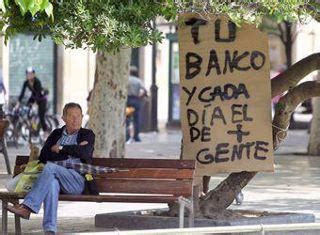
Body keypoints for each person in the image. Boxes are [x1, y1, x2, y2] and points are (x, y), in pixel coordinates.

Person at [7, 102, 95, 234]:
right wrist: (72, 152)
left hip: (77, 181)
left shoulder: (87, 134)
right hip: (56, 180)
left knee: (51, 167)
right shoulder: (56, 134)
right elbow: (44, 155)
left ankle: (27, 207)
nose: (75, 119)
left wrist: (60, 149)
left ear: (82, 117)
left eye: (78, 116)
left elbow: (84, 153)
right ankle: (50, 230)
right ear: (63, 118)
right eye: (71, 116)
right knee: (52, 183)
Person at [15, 67, 49, 136]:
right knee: (27, 111)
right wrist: (18, 103)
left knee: (41, 116)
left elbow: (38, 93)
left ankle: (46, 132)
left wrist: (35, 104)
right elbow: (22, 93)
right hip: (33, 98)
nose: (29, 75)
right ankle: (33, 127)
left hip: (41, 99)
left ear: (33, 74)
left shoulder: (37, 81)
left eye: (30, 74)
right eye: (27, 74)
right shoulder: (26, 83)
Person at [126, 66, 146, 142]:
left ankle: (127, 136)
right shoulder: (138, 81)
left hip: (127, 100)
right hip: (136, 100)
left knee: (126, 118)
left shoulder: (126, 80)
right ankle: (136, 136)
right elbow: (144, 90)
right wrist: (139, 95)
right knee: (136, 119)